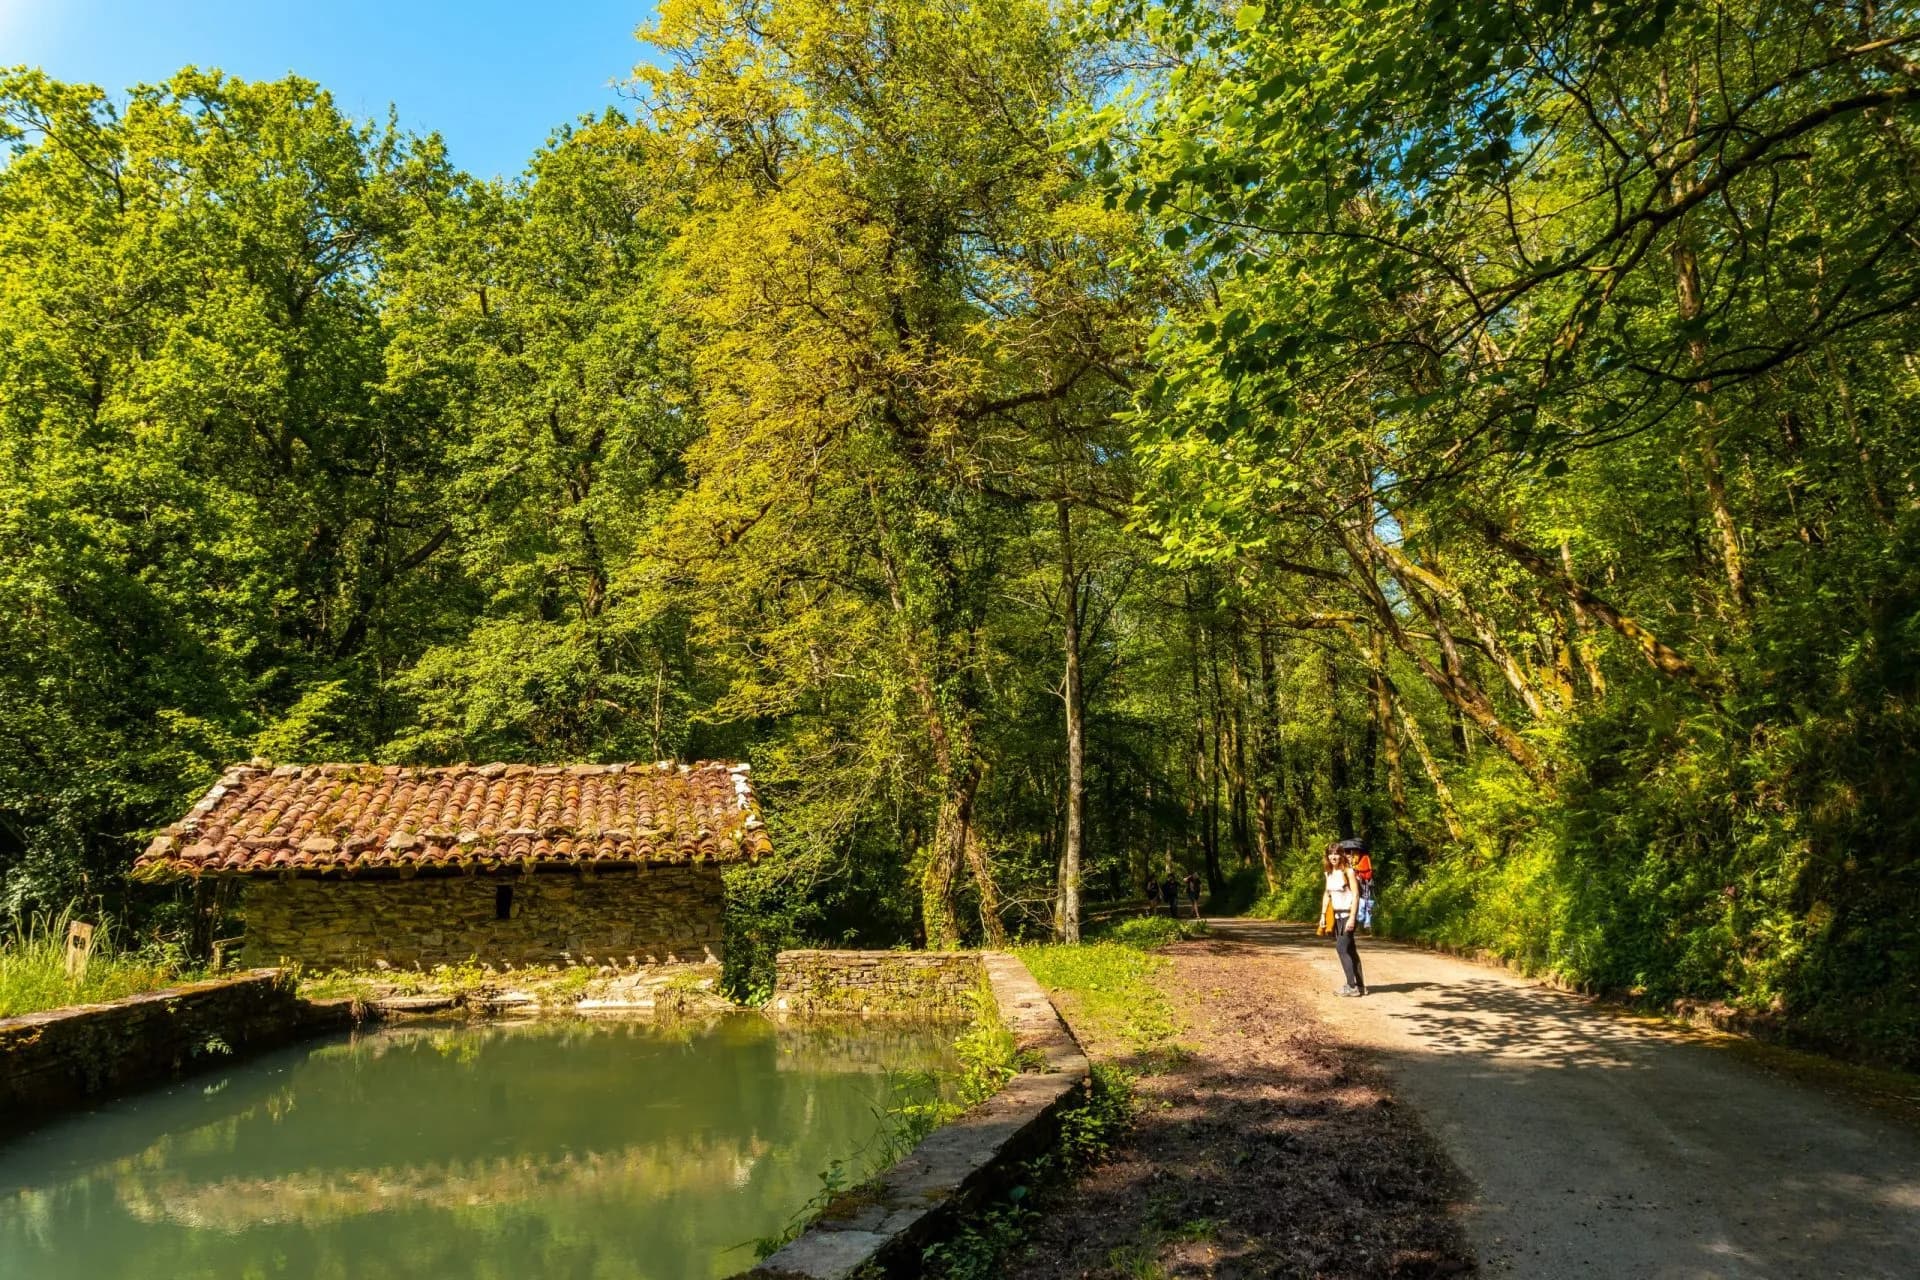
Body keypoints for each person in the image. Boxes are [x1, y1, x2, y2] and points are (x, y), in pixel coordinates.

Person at [1319, 843, 1367, 996]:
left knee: (1341, 949)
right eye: (1330, 854)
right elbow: (1327, 894)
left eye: (1336, 853)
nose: (1333, 856)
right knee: (1351, 950)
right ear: (1327, 856)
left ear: (1341, 855)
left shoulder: (1348, 872)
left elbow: (1355, 895)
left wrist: (1352, 918)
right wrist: (1322, 916)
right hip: (1336, 916)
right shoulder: (1329, 873)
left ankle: (1351, 986)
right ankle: (1360, 986)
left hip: (1348, 914)